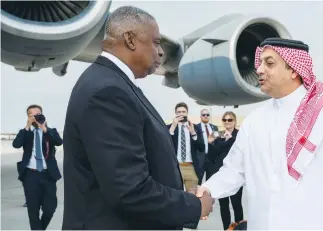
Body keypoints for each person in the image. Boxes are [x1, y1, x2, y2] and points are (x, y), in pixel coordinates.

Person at [62, 6, 212, 230]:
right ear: (130, 39)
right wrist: (194, 206)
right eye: (156, 42)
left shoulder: (113, 84)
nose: (160, 52)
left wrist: (176, 193)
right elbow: (129, 191)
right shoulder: (108, 92)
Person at [194, 38, 323, 230]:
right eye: (259, 63)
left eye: (269, 63)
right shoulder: (254, 120)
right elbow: (234, 170)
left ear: (294, 69)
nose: (259, 70)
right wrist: (207, 190)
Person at [12, 104, 63, 230]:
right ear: (28, 117)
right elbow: (16, 144)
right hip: (30, 175)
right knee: (33, 209)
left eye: (38, 114)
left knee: (50, 208)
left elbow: (59, 141)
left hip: (48, 174)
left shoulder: (50, 131)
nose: (35, 117)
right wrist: (28, 126)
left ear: (42, 115)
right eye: (32, 115)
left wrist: (44, 128)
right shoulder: (25, 132)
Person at [206, 111, 243, 230]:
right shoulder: (219, 135)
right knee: (223, 205)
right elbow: (212, 156)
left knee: (236, 204)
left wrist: (229, 140)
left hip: (236, 174)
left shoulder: (239, 135)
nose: (227, 122)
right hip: (221, 174)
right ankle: (226, 228)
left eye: (230, 119)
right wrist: (210, 143)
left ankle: (239, 228)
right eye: (225, 120)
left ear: (235, 121)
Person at [168, 102, 204, 190]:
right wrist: (173, 127)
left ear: (187, 113)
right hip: (175, 167)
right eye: (179, 112)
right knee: (176, 195)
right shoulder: (169, 127)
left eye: (183, 112)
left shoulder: (195, 128)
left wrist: (193, 133)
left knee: (192, 195)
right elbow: (166, 145)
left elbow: (201, 148)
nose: (181, 114)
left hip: (190, 166)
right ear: (175, 114)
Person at [196, 108, 218, 185]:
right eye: (203, 115)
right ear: (200, 116)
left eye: (207, 115)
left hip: (211, 159)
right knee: (198, 182)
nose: (205, 116)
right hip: (200, 158)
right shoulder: (196, 127)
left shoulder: (214, 128)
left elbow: (217, 142)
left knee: (210, 183)